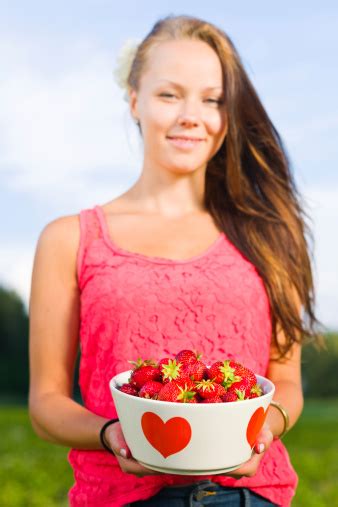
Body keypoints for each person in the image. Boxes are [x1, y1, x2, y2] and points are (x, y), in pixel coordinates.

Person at [28, 14, 322, 507]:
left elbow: (286, 381)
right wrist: (112, 435)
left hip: (251, 496)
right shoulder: (69, 239)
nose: (192, 115)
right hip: (120, 497)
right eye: (170, 95)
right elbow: (45, 404)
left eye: (212, 100)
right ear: (134, 100)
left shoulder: (269, 235)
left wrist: (260, 430)